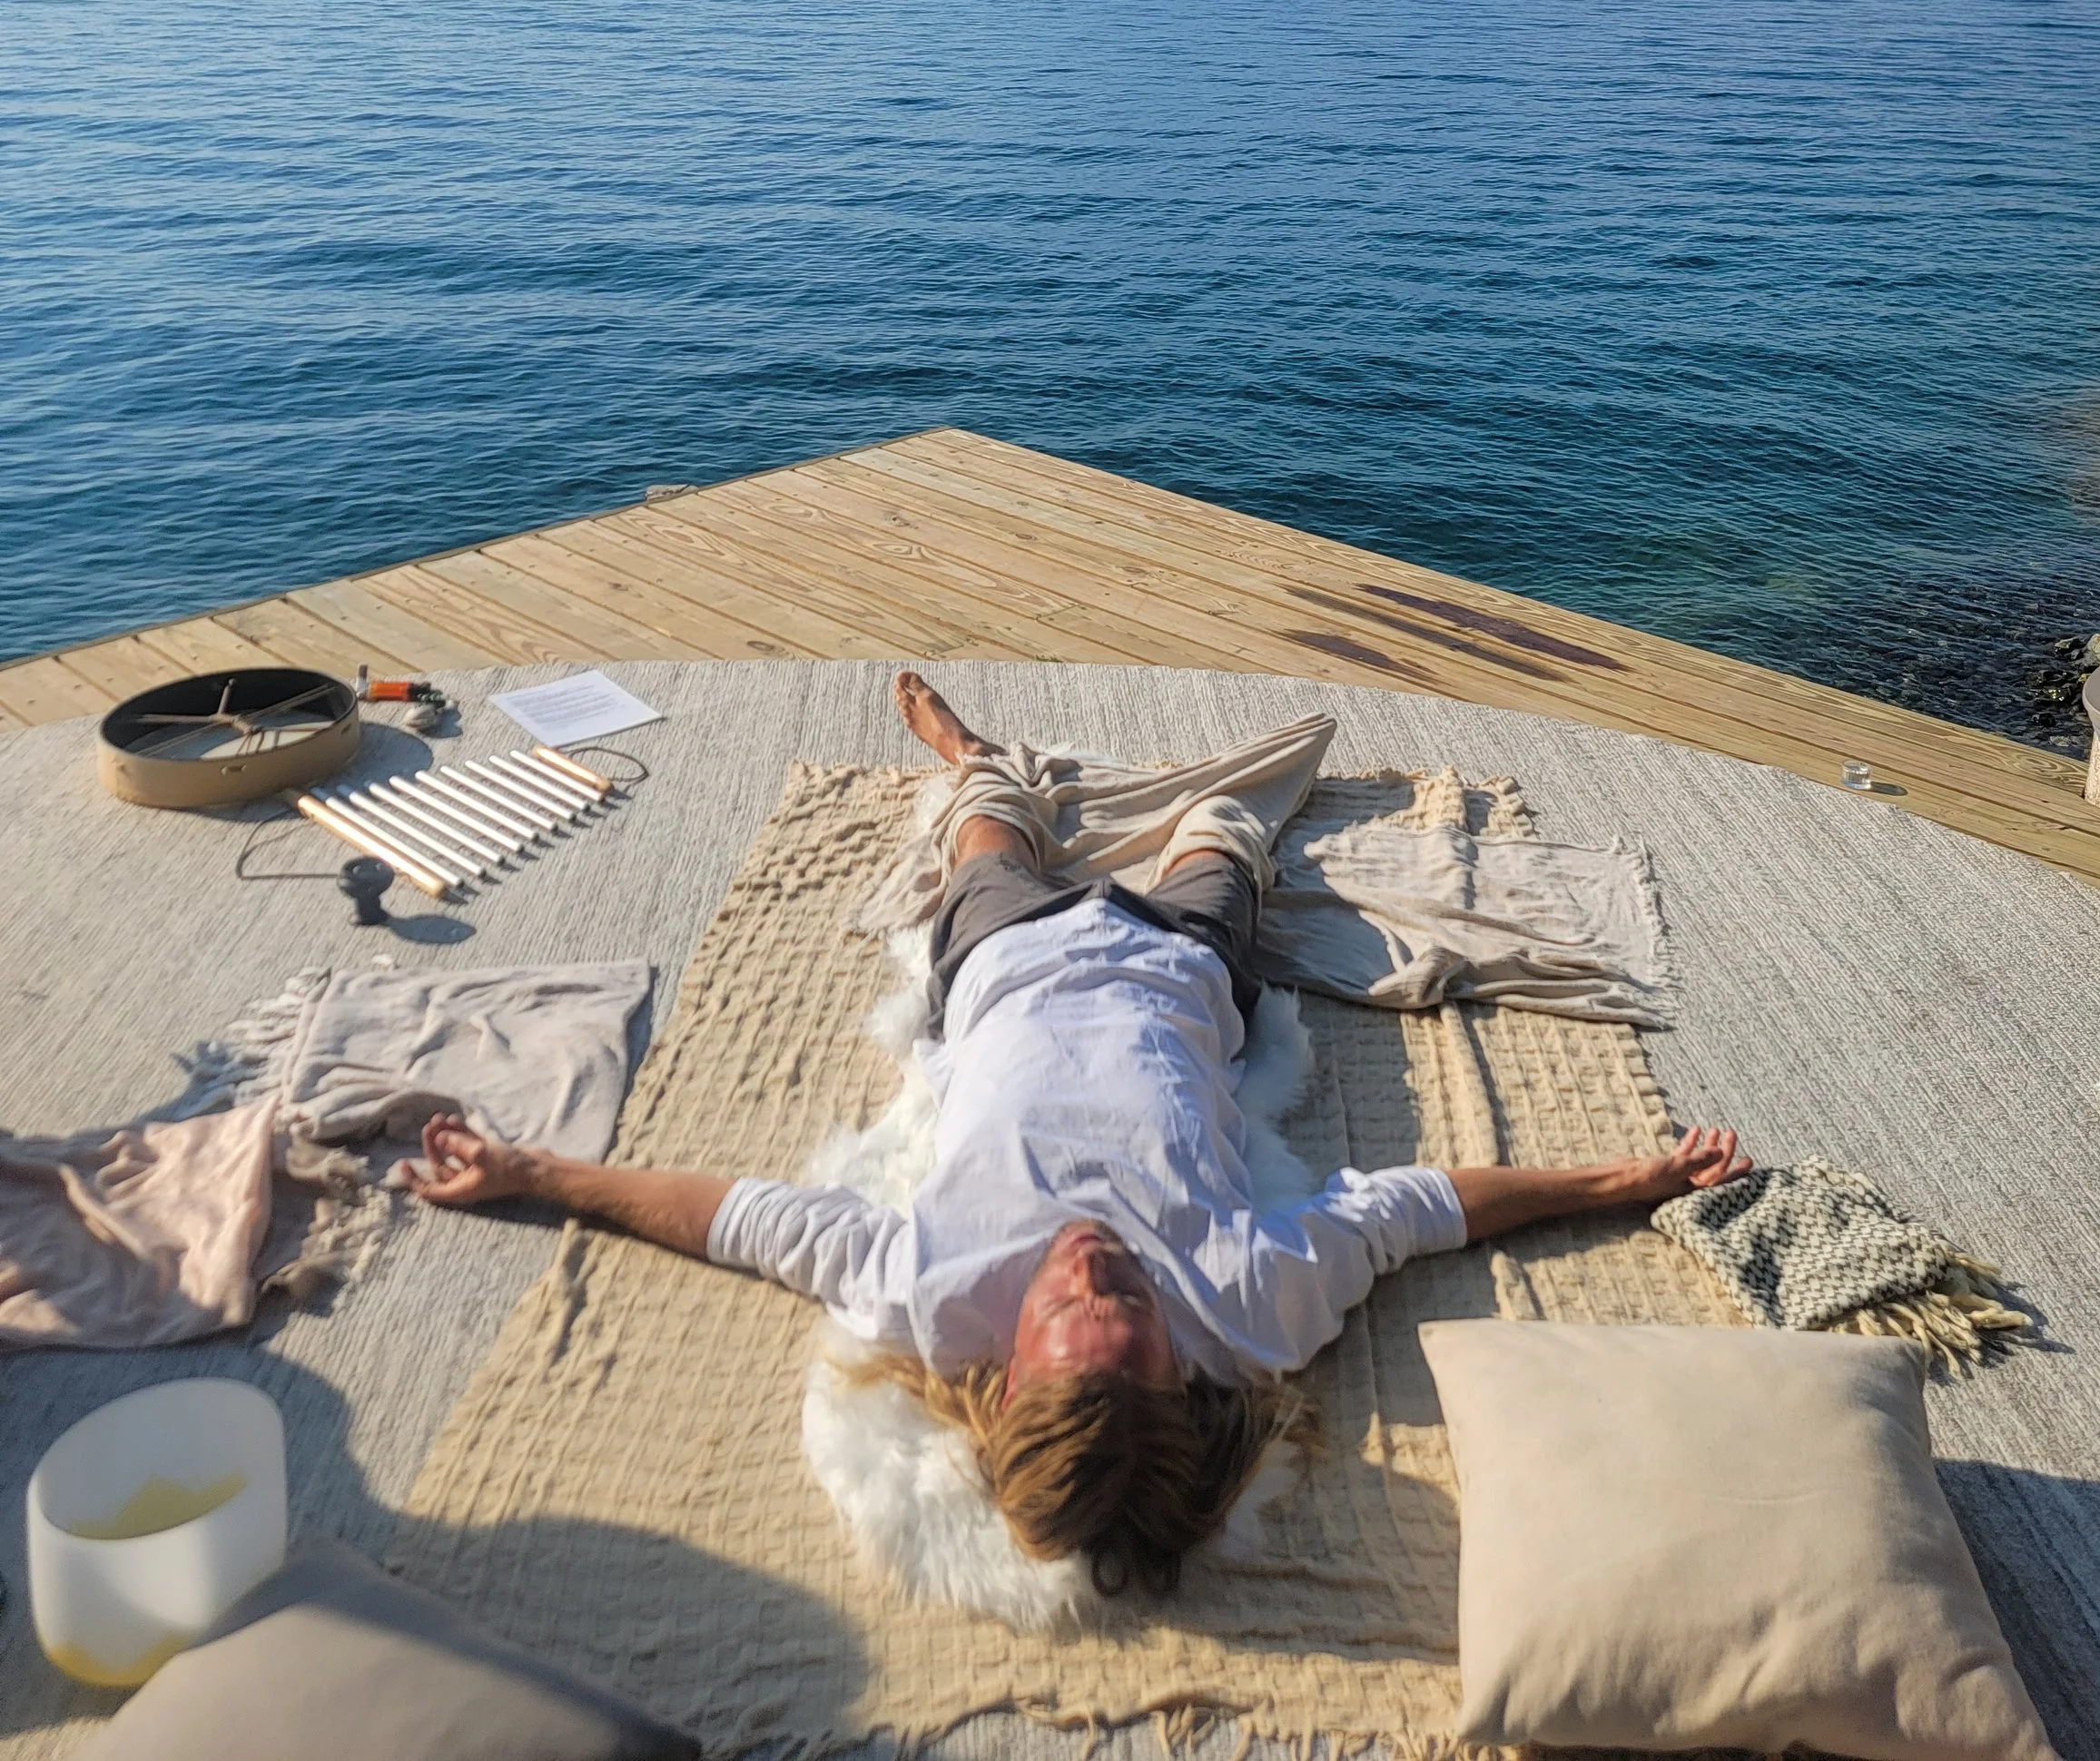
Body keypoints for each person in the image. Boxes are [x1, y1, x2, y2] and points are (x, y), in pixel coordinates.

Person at [409, 672, 1750, 1593]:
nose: (1096, 1264)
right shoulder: (1256, 1305)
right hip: (1183, 970)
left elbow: (741, 1219)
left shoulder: (931, 1298)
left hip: (1002, 960)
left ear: (1009, 1370)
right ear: (1186, 1375)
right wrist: (1627, 1176)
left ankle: (969, 757)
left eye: (1072, 1304)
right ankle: (1131, 817)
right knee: (1232, 823)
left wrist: (537, 1171)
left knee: (992, 809)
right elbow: (1425, 1209)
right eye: (1131, 1309)